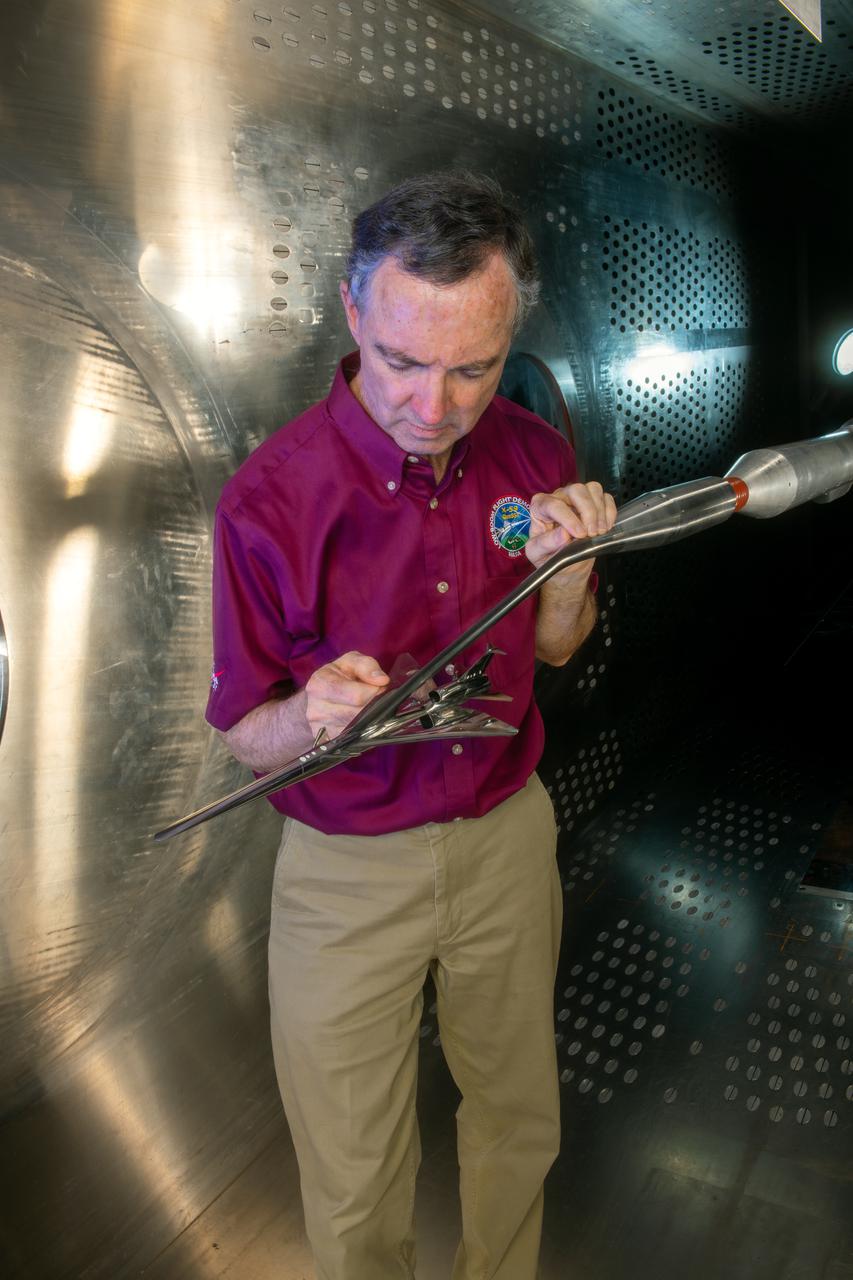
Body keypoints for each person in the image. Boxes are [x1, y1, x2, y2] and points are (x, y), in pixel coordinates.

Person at [205, 171, 616, 1280]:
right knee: (351, 1159)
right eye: (400, 360)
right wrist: (309, 716)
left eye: (471, 368)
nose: (432, 408)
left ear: (507, 334)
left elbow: (558, 647)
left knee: (517, 1113)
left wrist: (570, 574)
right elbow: (245, 731)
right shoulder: (267, 499)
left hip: (504, 836)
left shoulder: (533, 456)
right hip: (343, 871)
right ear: (353, 310)